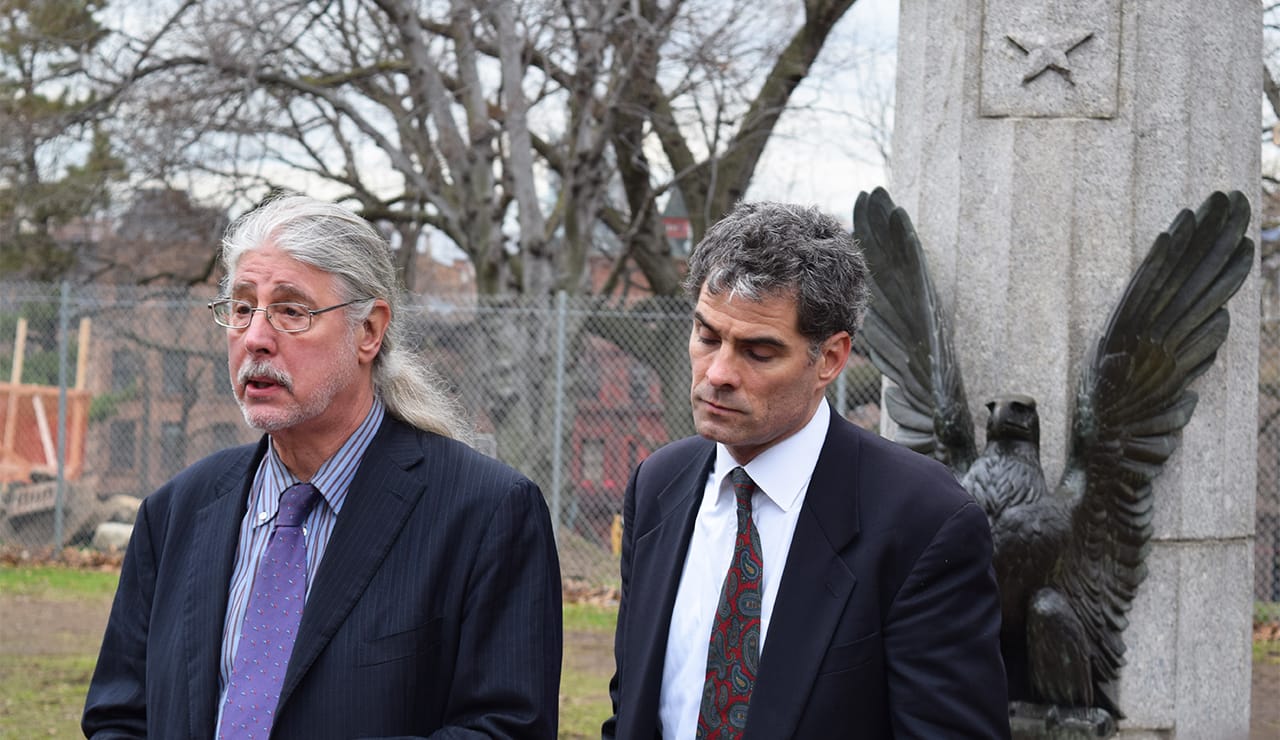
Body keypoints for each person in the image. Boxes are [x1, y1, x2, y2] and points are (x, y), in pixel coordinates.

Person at [83, 194, 562, 739]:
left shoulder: (486, 513)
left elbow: (505, 728)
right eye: (242, 308)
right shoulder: (175, 512)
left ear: (369, 331)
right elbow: (118, 717)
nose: (256, 338)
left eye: (291, 310)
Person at [603, 202, 1009, 738]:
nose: (719, 373)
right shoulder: (657, 485)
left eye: (759, 351)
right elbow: (633, 707)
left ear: (831, 359)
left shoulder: (923, 521)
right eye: (707, 337)